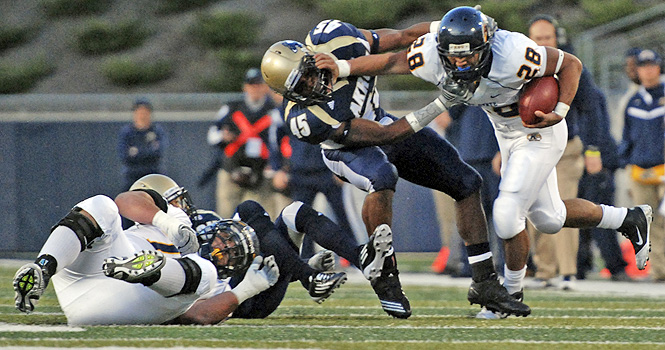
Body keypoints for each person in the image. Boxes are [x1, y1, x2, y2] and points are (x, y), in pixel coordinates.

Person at [317, 6, 652, 308]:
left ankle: (509, 293)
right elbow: (392, 60)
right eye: (454, 57)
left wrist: (560, 110)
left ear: (486, 47)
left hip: (537, 127)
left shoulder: (515, 53)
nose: (461, 63)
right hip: (504, 131)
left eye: (469, 56)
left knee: (507, 214)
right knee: (548, 218)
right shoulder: (433, 54)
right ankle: (628, 219)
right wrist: (342, 66)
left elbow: (571, 65)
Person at [261, 19, 531, 318]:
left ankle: (484, 282)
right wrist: (443, 102)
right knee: (382, 176)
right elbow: (385, 137)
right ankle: (385, 275)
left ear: (312, 59)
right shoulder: (306, 118)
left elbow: (403, 36)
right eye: (300, 87)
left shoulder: (337, 39)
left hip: (384, 120)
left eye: (309, 75)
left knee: (467, 183)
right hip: (348, 150)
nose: (312, 85)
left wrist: (449, 26)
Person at [130, 174, 401, 313]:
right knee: (248, 207)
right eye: (173, 203)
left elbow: (242, 253)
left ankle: (360, 257)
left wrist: (299, 266)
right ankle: (310, 277)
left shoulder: (202, 218)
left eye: (180, 200)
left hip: (260, 281)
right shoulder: (152, 241)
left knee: (296, 212)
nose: (181, 207)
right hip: (239, 301)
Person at [202, 68, 285, 219]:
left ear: (265, 87)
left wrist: (276, 165)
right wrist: (224, 136)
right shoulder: (232, 107)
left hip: (261, 172)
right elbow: (212, 135)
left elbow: (281, 142)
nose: (255, 89)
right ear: (245, 87)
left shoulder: (274, 111)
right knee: (226, 217)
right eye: (251, 85)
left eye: (259, 85)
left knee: (261, 218)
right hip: (232, 169)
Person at [619, 49, 665, 282]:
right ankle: (659, 271)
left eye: (651, 65)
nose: (648, 71)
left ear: (659, 67)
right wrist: (625, 161)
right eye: (643, 66)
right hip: (640, 168)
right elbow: (627, 135)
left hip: (664, 167)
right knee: (647, 221)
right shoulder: (633, 100)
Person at [117, 97, 168, 192]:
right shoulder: (127, 132)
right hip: (132, 176)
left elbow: (158, 153)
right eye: (139, 112)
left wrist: (137, 151)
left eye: (145, 112)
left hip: (153, 175)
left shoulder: (156, 131)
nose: (142, 115)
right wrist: (147, 150)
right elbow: (124, 155)